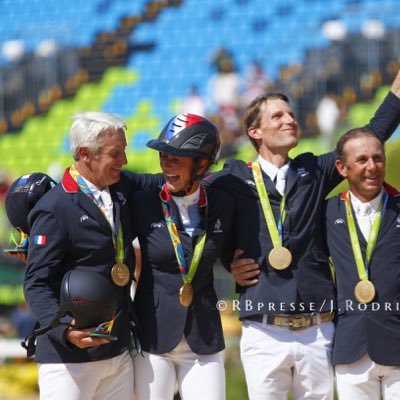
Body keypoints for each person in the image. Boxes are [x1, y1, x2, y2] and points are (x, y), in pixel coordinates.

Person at [204, 69, 400, 399]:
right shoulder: (232, 179)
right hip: (263, 329)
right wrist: (229, 260)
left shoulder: (313, 170)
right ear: (255, 132)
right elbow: (207, 224)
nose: (290, 120)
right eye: (278, 116)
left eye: (291, 114)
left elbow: (371, 135)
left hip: (318, 328)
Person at [22, 111, 162, 400]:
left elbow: (163, 181)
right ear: (86, 154)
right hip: (69, 360)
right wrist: (65, 330)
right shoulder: (54, 208)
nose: (124, 160)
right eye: (116, 153)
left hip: (117, 352)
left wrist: (209, 172)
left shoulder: (121, 185)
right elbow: (36, 283)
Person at [131, 113, 235, 400]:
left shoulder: (223, 203)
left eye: (177, 158)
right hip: (153, 336)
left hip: (204, 336)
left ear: (202, 164)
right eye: (164, 156)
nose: (167, 164)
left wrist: (237, 262)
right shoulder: (142, 203)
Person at [325, 127, 400, 399]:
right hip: (350, 349)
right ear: (342, 168)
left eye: (378, 158)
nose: (372, 167)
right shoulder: (327, 212)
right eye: (362, 160)